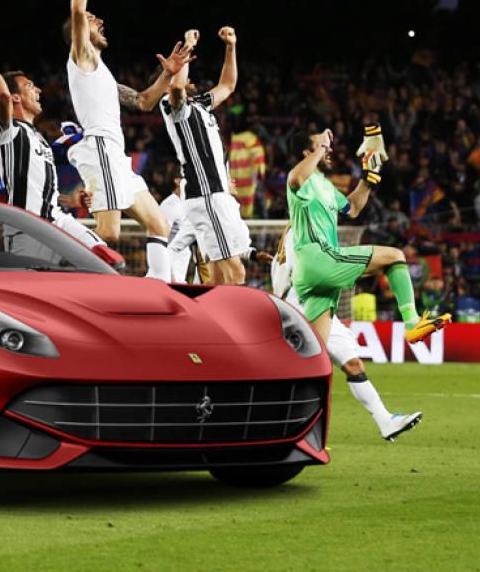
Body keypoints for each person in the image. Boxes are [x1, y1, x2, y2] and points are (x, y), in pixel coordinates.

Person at [63, 0, 192, 279]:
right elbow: (77, 12)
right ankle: (59, 251)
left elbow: (144, 101)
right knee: (108, 235)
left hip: (116, 156)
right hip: (100, 148)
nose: (99, 20)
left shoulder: (101, 73)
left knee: (159, 224)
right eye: (93, 20)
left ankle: (158, 288)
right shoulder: (81, 57)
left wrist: (168, 74)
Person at [286, 127, 450, 353]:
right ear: (307, 153)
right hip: (319, 258)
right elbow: (295, 178)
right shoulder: (302, 179)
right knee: (395, 256)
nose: (329, 150)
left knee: (314, 355)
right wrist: (322, 146)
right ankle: (412, 323)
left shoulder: (325, 185)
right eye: (322, 146)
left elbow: (352, 208)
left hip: (314, 275)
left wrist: (369, 177)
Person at [266, 224, 423, 441]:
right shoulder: (301, 233)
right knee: (303, 373)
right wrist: (366, 267)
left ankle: (385, 421)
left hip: (318, 304)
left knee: (353, 365)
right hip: (303, 306)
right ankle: (283, 428)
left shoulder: (284, 252)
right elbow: (317, 270)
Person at [0, 45, 105, 254]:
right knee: (34, 278)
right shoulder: (8, 130)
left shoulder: (39, 138)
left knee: (102, 255)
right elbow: (2, 96)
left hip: (57, 221)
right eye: (30, 86)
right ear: (16, 97)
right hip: (26, 227)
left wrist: (71, 200)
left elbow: (39, 191)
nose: (38, 90)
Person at [158, 26, 250, 284]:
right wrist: (188, 45)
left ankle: (207, 311)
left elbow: (228, 86)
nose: (190, 79)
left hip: (216, 196)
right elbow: (177, 88)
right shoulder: (173, 107)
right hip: (207, 195)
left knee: (218, 277)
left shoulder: (199, 105)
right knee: (236, 274)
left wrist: (231, 47)